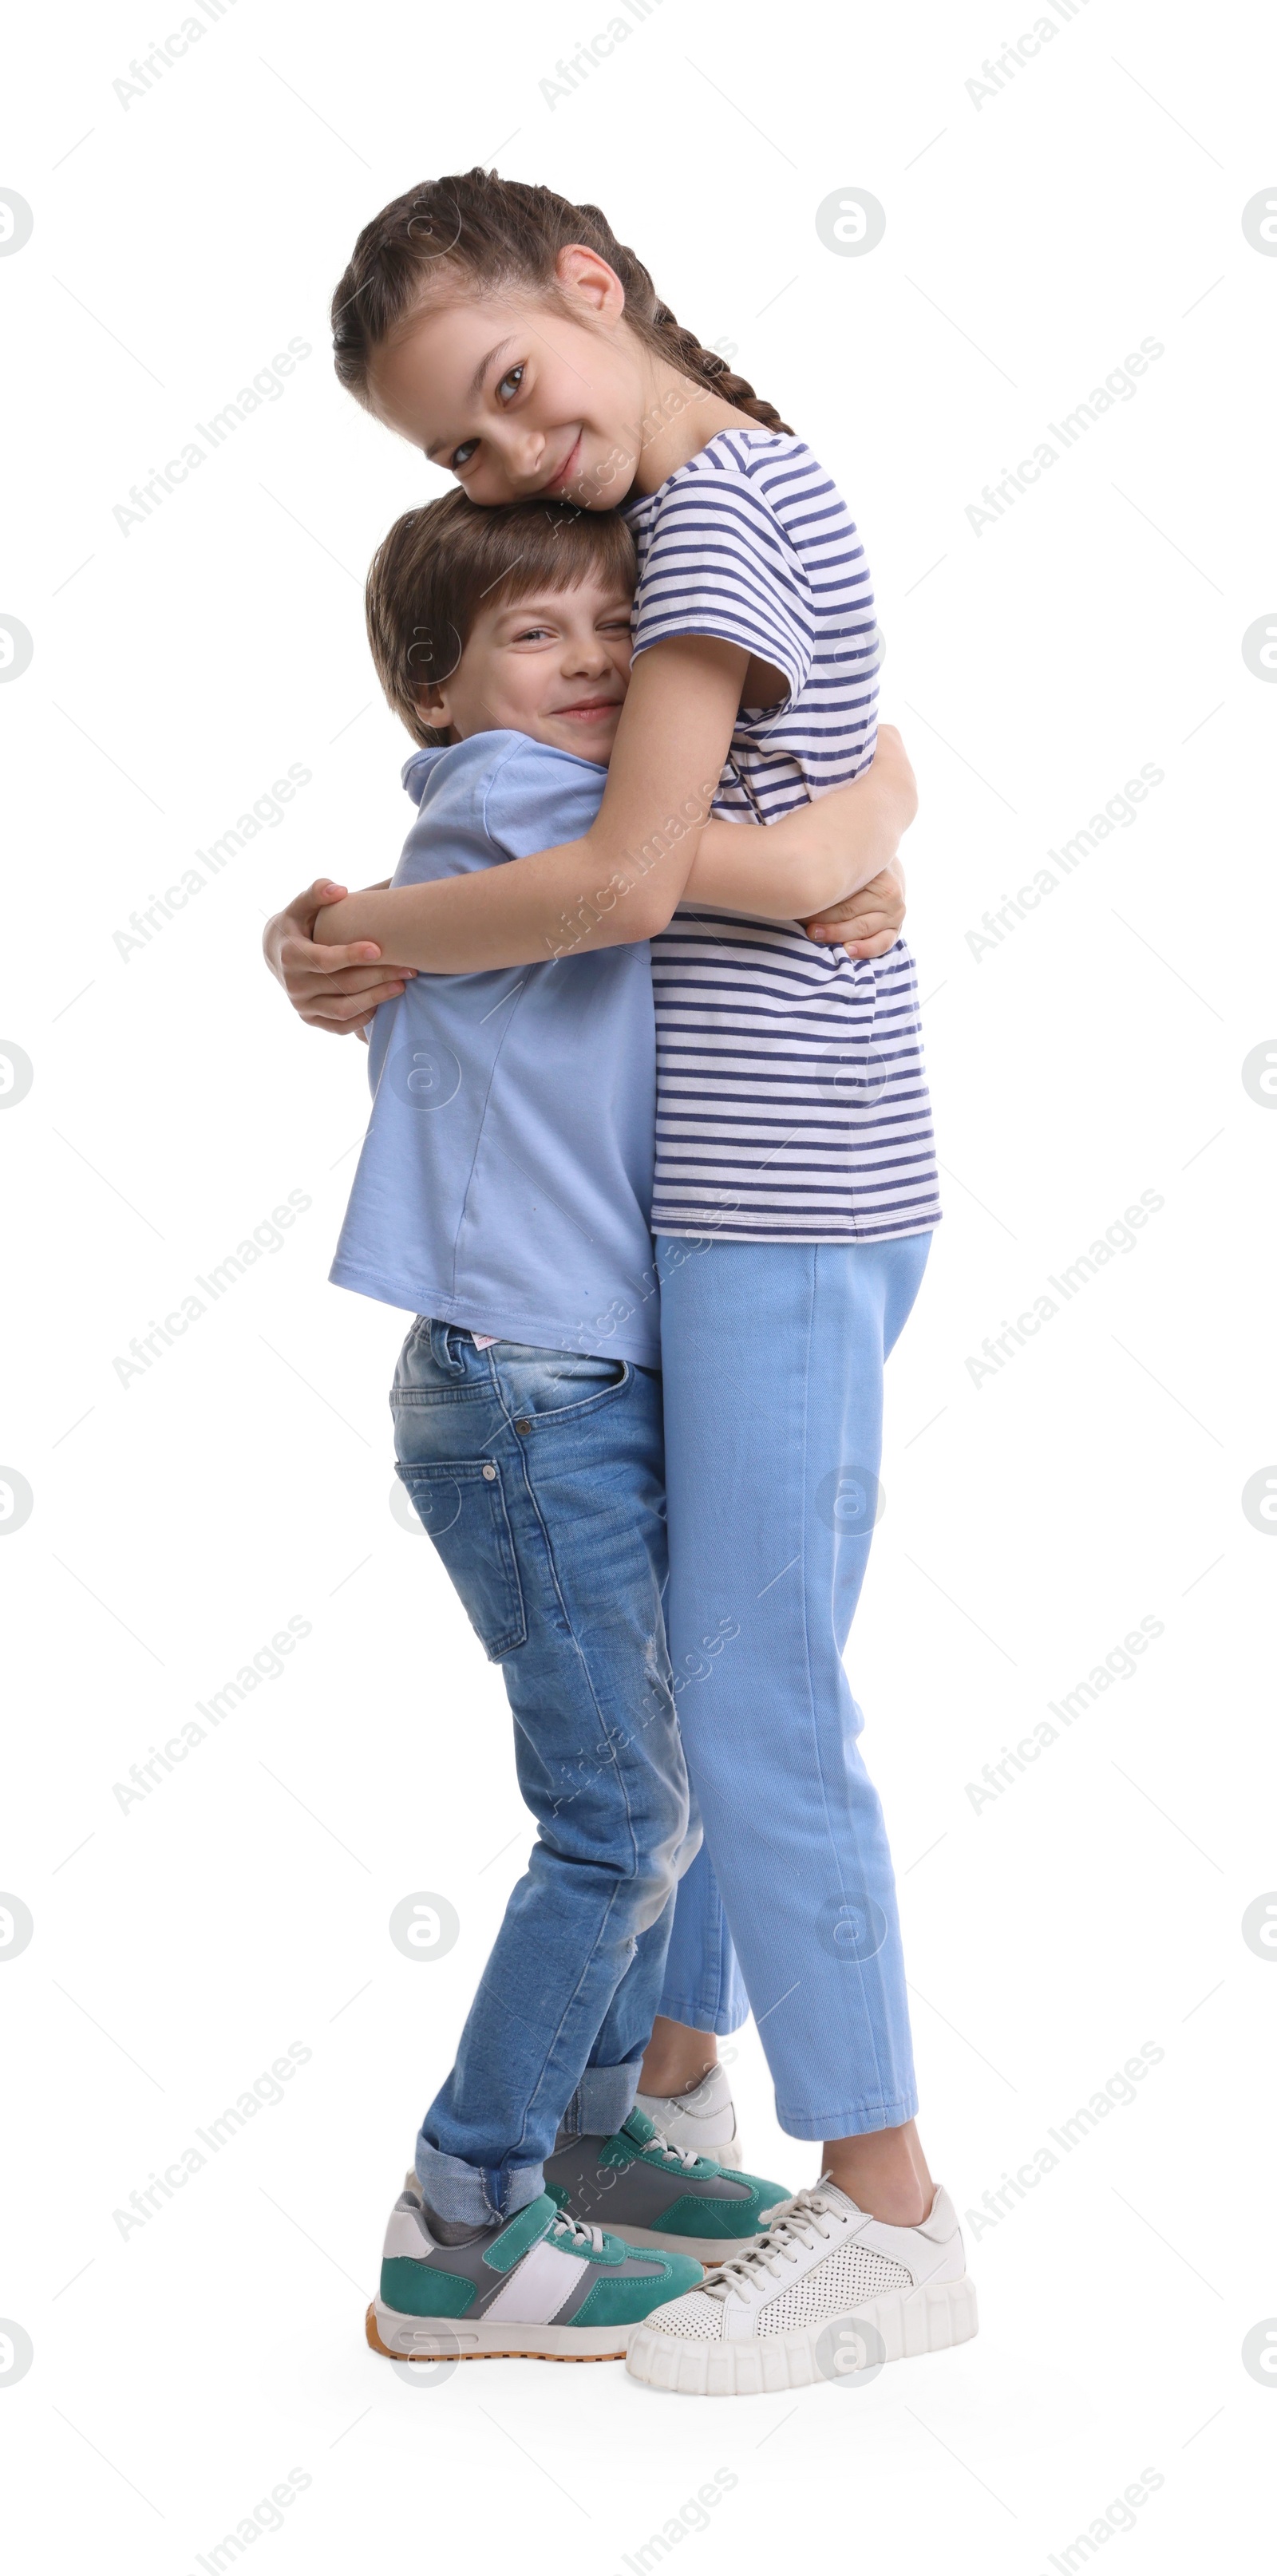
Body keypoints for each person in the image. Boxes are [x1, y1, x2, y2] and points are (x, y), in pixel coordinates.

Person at [267, 168, 976, 2394]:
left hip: (779, 1193)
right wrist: (843, 841)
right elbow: (725, 820)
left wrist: (369, 933)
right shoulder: (713, 515)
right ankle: (661, 2096)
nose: (506, 458)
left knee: (743, 1714)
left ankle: (884, 2213)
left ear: (592, 289)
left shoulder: (719, 510)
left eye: (506, 389)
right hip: (757, 1202)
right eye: (462, 460)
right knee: (722, 1713)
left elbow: (630, 871)